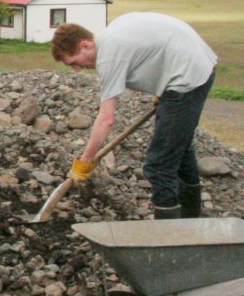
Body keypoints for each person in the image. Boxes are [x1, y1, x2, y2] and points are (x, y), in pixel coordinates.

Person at [51, 14, 217, 219]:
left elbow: (106, 120)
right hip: (195, 66)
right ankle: (191, 219)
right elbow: (155, 45)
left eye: (74, 62)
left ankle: (168, 235)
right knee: (179, 150)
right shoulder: (111, 35)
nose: (77, 69)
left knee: (158, 165)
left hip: (188, 78)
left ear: (85, 45)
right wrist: (164, 89)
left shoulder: (109, 56)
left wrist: (84, 163)